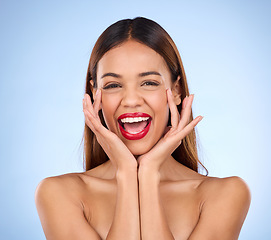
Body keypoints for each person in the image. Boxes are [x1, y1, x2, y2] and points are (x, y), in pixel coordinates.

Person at [35, 17, 251, 240]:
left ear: (176, 90)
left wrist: (148, 174)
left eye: (149, 83)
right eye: (113, 85)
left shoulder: (226, 194)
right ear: (94, 94)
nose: (130, 100)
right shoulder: (57, 194)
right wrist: (127, 174)